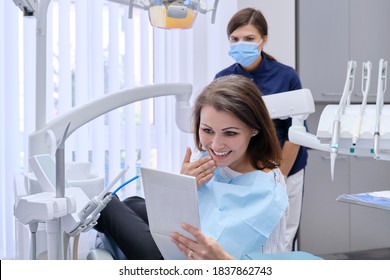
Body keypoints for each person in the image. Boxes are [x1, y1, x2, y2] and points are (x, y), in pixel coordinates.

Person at [94, 75, 289, 260]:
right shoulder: (205, 157)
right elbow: (180, 214)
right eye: (207, 130)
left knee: (106, 204)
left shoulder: (268, 191)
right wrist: (182, 185)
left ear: (254, 129)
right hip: (184, 239)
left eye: (230, 133)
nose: (215, 145)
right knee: (131, 203)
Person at [214, 7, 308, 251]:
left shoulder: (286, 76)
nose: (241, 44)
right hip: (242, 169)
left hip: (285, 165)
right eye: (235, 39)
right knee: (244, 235)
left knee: (283, 236)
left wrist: (279, 176)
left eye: (249, 38)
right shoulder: (223, 80)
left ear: (263, 40)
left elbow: (295, 133)